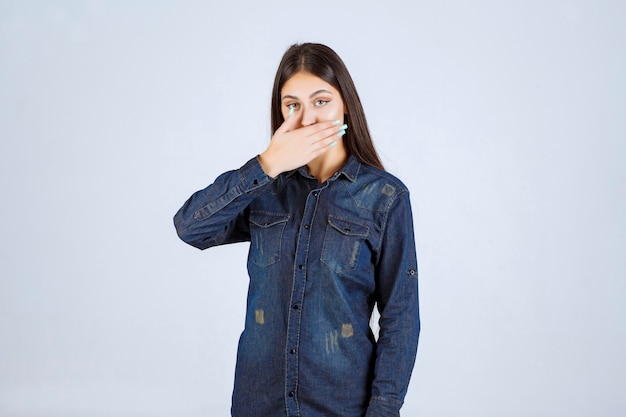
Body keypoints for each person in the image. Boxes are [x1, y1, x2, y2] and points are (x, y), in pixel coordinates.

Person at [174, 43, 420, 417]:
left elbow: (401, 316)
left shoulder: (384, 196)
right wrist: (267, 163)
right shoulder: (265, 189)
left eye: (321, 101)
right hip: (259, 403)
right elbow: (191, 228)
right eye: (292, 105)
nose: (306, 119)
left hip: (341, 404)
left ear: (346, 106)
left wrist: (384, 410)